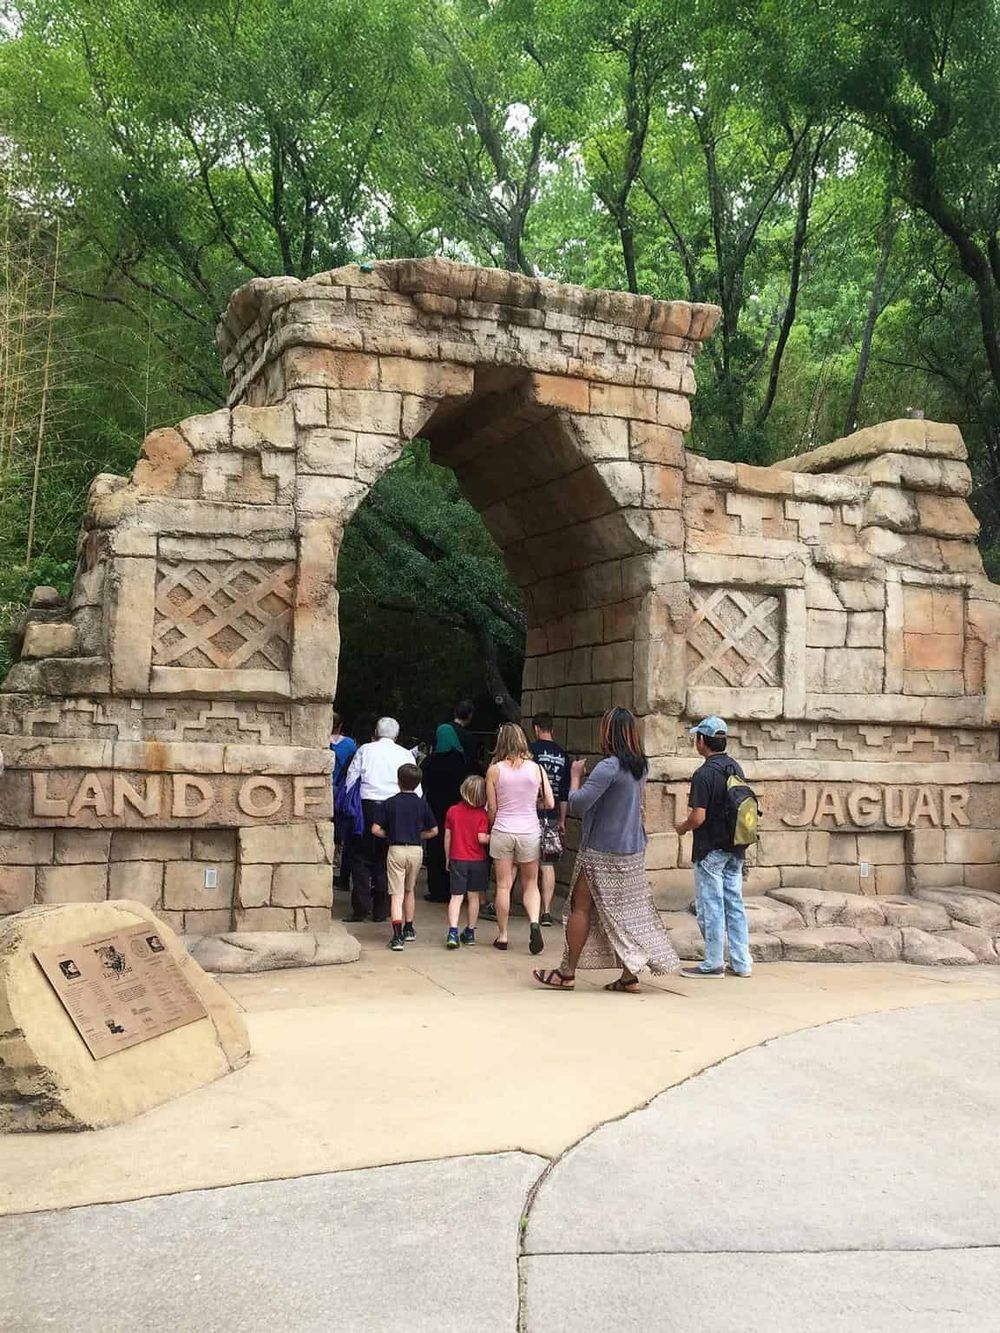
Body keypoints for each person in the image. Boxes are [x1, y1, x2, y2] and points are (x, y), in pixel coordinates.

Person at [533, 707, 680, 993]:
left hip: (601, 849)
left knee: (580, 907)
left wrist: (575, 776)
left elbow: (578, 804)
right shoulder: (641, 767)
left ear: (608, 733)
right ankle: (629, 976)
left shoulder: (608, 767)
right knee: (629, 912)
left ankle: (567, 972)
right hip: (632, 849)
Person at [674, 716, 752, 979]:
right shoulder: (735, 767)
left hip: (710, 850)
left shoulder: (704, 774)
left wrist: (682, 827)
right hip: (735, 847)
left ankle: (713, 963)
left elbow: (698, 817)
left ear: (701, 741)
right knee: (735, 904)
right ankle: (741, 963)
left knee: (711, 907)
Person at [342, 717, 419, 924]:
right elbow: (416, 790)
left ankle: (360, 908)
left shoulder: (365, 750)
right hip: (396, 808)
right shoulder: (405, 754)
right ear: (397, 735)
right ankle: (381, 909)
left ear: (376, 732)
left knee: (360, 857)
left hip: (367, 806)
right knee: (387, 858)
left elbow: (351, 780)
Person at [487, 722, 554, 955]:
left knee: (503, 885)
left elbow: (492, 808)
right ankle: (534, 923)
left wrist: (493, 824)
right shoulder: (537, 769)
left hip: (503, 830)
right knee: (530, 883)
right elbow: (550, 802)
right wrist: (531, 802)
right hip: (529, 831)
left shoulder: (494, 770)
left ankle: (503, 935)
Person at [372, 764, 438, 951]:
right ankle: (409, 928)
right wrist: (418, 835)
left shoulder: (389, 803)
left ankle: (397, 935)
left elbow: (375, 829)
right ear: (418, 783)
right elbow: (434, 830)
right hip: (415, 849)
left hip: (396, 849)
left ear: (398, 780)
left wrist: (390, 835)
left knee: (396, 894)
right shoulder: (422, 804)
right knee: (410, 890)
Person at [421, 724, 472, 903]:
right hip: (458, 811)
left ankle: (437, 890)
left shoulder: (430, 762)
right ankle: (457, 888)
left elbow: (423, 785)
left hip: (435, 810)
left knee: (435, 849)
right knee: (457, 847)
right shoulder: (462, 761)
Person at [529, 712, 570, 927]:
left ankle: (528, 907)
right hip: (552, 815)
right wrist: (562, 820)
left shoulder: (531, 751)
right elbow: (563, 794)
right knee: (547, 863)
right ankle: (546, 911)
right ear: (552, 729)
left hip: (530, 812)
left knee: (527, 861)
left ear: (536, 729)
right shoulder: (562, 755)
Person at [444, 774, 490, 948]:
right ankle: (470, 932)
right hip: (478, 860)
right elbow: (481, 838)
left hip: (458, 858)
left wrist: (447, 857)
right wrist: (493, 837)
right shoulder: (483, 814)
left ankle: (453, 932)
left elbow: (448, 837)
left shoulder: (452, 811)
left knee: (456, 897)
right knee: (474, 897)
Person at [330, 712, 358, 891]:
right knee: (341, 828)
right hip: (340, 790)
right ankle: (338, 859)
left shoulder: (319, 741)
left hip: (320, 787)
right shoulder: (349, 744)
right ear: (340, 725)